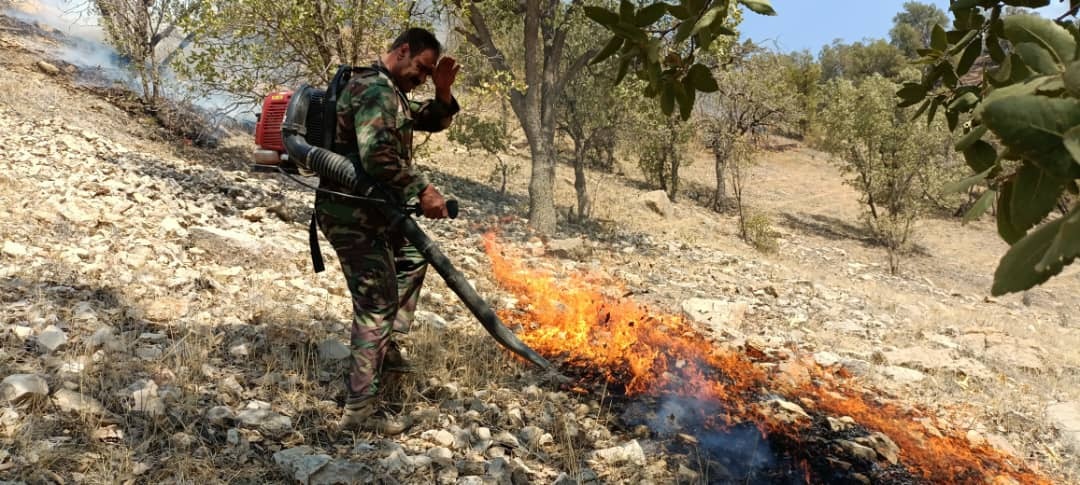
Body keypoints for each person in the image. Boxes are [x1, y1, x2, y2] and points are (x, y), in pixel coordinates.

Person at [316, 27, 460, 434]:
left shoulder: (389, 90)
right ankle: (359, 411)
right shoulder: (375, 89)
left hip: (374, 212)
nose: (423, 78)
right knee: (376, 302)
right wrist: (423, 189)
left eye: (429, 73)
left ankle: (383, 346)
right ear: (402, 51)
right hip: (351, 215)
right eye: (422, 68)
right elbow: (377, 156)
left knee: (413, 255)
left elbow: (429, 120)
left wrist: (443, 92)